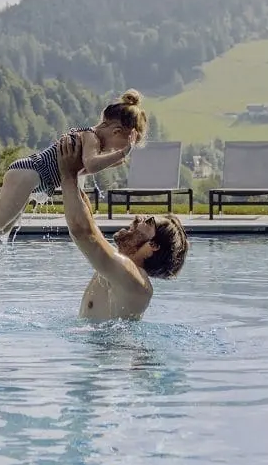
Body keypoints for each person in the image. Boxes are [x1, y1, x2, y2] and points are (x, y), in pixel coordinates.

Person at [0, 90, 147, 271]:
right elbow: (92, 164)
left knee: (2, 228)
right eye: (121, 146)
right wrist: (121, 154)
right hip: (29, 173)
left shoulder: (89, 140)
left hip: (30, 176)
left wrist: (111, 161)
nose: (116, 151)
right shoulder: (91, 137)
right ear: (116, 131)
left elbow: (78, 169)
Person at [57, 126, 188, 320]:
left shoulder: (135, 280)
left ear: (153, 245)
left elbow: (84, 232)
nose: (139, 217)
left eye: (149, 221)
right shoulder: (118, 267)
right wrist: (77, 171)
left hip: (113, 350)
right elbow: (87, 221)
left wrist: (67, 174)